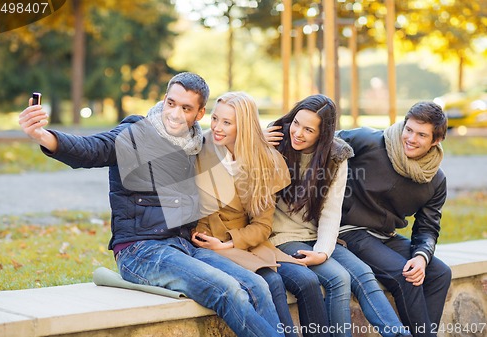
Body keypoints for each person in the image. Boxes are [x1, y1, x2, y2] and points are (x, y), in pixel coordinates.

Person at [18, 72, 285, 337]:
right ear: (164, 99)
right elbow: (91, 149)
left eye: (186, 108)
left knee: (257, 285)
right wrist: (43, 136)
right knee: (227, 289)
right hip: (140, 249)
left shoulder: (193, 144)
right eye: (171, 103)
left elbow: (230, 132)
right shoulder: (135, 134)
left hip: (182, 245)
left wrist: (256, 134)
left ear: (199, 114)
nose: (175, 114)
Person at [264, 94, 411, 337]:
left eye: (308, 129)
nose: (298, 133)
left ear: (323, 135)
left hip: (315, 235)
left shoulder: (335, 157)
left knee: (363, 273)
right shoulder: (275, 141)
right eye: (296, 123)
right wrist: (258, 145)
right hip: (281, 235)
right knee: (338, 278)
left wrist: (322, 251)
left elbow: (331, 212)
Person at [190, 92, 329, 337]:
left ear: (243, 126)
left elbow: (263, 226)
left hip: (245, 241)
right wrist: (215, 243)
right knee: (271, 281)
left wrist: (231, 242)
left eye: (227, 122)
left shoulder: (265, 161)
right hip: (207, 241)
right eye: (214, 119)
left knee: (306, 280)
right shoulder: (200, 150)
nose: (217, 128)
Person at [336, 101, 452, 337]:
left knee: (440, 273)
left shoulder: (435, 180)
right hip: (348, 230)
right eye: (408, 129)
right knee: (405, 275)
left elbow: (427, 228)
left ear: (436, 141)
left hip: (384, 235)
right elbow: (321, 137)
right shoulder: (371, 141)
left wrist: (421, 256)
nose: (410, 138)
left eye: (421, 135)